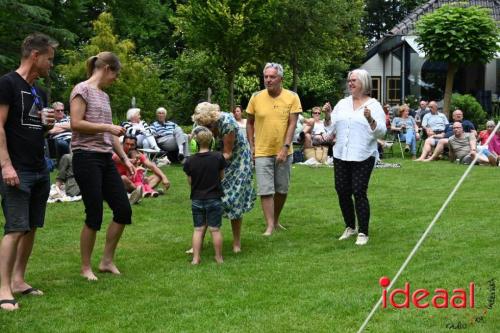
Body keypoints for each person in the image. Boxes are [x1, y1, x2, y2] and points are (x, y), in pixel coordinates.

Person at [0, 33, 57, 311]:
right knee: (15, 228)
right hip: (17, 168)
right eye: (50, 59)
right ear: (36, 55)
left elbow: (35, 128)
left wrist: (47, 124)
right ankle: (3, 289)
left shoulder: (40, 92)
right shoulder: (7, 84)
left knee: (32, 225)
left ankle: (19, 279)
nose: (51, 65)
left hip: (39, 168)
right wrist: (6, 165)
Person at [70, 51, 135, 281]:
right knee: (94, 213)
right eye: (115, 75)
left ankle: (107, 260)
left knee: (123, 210)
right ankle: (85, 267)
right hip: (85, 157)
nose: (115, 80)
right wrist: (108, 128)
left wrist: (126, 160)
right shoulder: (82, 89)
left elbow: (113, 134)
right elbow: (75, 123)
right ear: (107, 68)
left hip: (106, 158)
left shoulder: (104, 97)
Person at [328, 69, 386, 246]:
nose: (350, 83)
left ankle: (363, 231)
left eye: (354, 80)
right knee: (342, 190)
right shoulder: (342, 104)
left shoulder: (374, 105)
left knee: (359, 191)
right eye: (349, 80)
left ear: (364, 83)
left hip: (363, 155)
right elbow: (331, 128)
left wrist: (370, 119)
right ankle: (350, 227)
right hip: (341, 154)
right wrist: (327, 115)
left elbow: (382, 131)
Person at [246, 62, 302, 236]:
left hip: (284, 150)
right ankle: (269, 225)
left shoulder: (292, 97)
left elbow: (292, 124)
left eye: (272, 77)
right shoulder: (256, 97)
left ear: (281, 79)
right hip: (262, 151)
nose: (268, 80)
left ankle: (276, 219)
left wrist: (285, 147)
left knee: (282, 189)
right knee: (265, 189)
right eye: (266, 77)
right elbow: (249, 122)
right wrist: (252, 146)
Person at [192, 102, 255, 252]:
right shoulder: (200, 124)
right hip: (215, 159)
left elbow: (228, 153)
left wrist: (207, 160)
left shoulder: (228, 123)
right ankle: (197, 243)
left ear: (212, 119)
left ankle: (237, 243)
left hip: (238, 160)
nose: (204, 127)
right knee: (208, 197)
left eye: (207, 125)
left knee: (234, 200)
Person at [183, 126, 226, 264]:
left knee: (198, 229)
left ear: (195, 143)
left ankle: (196, 258)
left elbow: (190, 181)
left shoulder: (189, 160)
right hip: (214, 198)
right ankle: (218, 258)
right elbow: (222, 176)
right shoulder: (218, 157)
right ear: (212, 141)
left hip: (197, 199)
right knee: (215, 229)